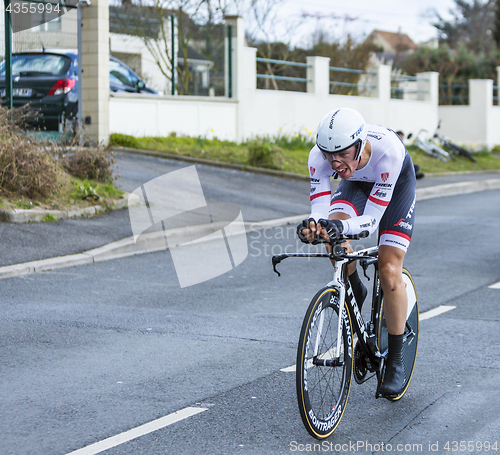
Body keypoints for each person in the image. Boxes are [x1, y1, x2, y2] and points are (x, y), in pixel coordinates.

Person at [297, 108, 416, 398]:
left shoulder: (387, 153)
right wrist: (315, 225)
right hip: (356, 184)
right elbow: (320, 210)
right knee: (331, 233)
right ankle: (354, 287)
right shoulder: (322, 158)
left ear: (361, 144)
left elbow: (372, 222)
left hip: (395, 184)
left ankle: (396, 360)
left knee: (389, 269)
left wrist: (340, 227)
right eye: (328, 155)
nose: (335, 162)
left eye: (342, 154)